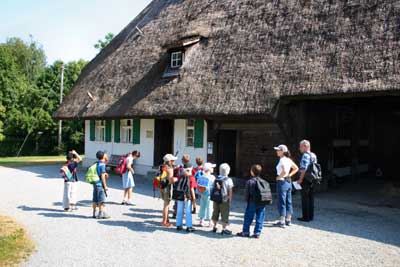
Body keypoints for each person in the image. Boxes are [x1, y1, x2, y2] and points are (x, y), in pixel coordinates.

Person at [237, 165, 267, 238]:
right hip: (262, 202)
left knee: (248, 217)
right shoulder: (264, 182)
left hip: (252, 202)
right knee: (260, 217)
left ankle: (246, 232)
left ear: (252, 172)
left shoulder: (250, 182)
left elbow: (247, 193)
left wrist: (246, 200)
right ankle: (257, 233)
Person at [274, 145, 299, 227]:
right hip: (288, 181)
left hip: (282, 182)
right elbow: (296, 168)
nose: (277, 151)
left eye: (278, 150)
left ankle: (282, 221)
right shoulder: (288, 160)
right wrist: (289, 175)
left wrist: (279, 176)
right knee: (289, 200)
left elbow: (284, 171)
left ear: (282, 151)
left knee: (282, 201)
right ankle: (288, 219)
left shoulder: (282, 160)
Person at [297, 140, 318, 222]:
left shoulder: (305, 155)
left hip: (305, 179)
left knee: (305, 198)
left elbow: (304, 169)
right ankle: (311, 216)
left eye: (300, 146)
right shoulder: (313, 155)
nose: (299, 148)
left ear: (305, 146)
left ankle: (305, 217)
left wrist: (300, 179)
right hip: (312, 179)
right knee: (311, 198)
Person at [211, 163, 234, 235]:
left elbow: (212, 188)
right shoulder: (229, 179)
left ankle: (215, 226)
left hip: (216, 198)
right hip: (224, 199)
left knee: (215, 212)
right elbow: (230, 190)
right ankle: (224, 229)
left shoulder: (216, 178)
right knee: (224, 213)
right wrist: (230, 199)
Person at [175, 163, 197, 232]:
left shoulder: (180, 176)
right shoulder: (191, 178)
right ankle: (189, 226)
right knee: (188, 211)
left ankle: (179, 225)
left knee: (179, 210)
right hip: (188, 197)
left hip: (180, 195)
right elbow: (192, 190)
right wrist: (194, 201)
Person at [160, 154, 177, 227]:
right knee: (166, 205)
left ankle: (166, 219)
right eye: (173, 160)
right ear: (169, 161)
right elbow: (171, 181)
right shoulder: (169, 169)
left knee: (165, 204)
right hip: (167, 187)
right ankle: (164, 222)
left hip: (161, 187)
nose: (174, 161)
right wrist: (176, 179)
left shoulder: (162, 166)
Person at [92, 150, 110, 219]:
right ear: (103, 156)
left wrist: (104, 173)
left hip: (95, 183)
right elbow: (102, 176)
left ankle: (94, 213)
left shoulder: (96, 163)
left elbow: (97, 172)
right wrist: (105, 186)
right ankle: (100, 214)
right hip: (100, 184)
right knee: (101, 199)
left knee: (95, 199)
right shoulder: (102, 164)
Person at [197, 162, 216, 227]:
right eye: (212, 168)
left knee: (202, 206)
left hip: (202, 193)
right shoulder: (212, 177)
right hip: (209, 194)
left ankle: (201, 220)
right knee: (209, 207)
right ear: (209, 169)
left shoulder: (201, 176)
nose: (213, 169)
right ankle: (210, 221)